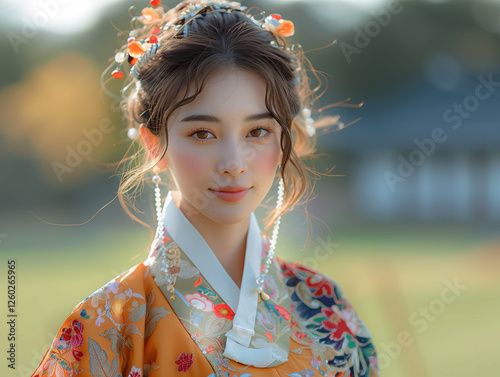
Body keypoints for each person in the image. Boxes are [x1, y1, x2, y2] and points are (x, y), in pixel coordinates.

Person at [31, 1, 379, 376]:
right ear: (155, 144)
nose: (233, 162)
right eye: (202, 133)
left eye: (257, 132)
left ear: (284, 139)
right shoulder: (108, 326)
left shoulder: (325, 308)